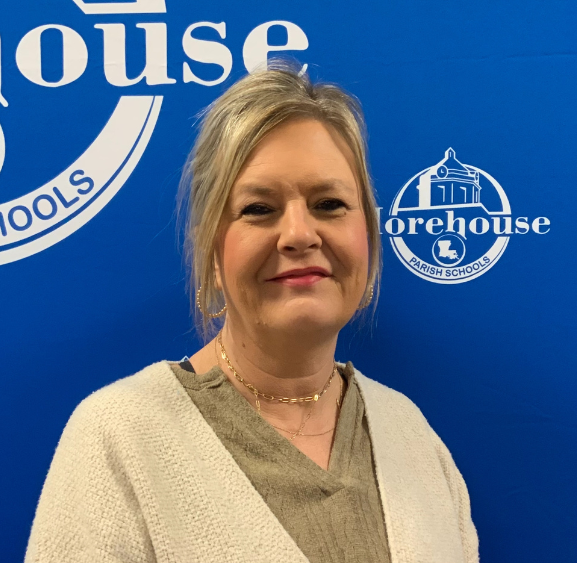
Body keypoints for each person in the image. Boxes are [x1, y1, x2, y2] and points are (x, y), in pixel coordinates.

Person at [25, 61, 479, 563]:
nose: (300, 234)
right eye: (258, 209)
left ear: (367, 236)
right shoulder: (119, 439)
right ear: (213, 254)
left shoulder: (409, 432)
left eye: (329, 203)